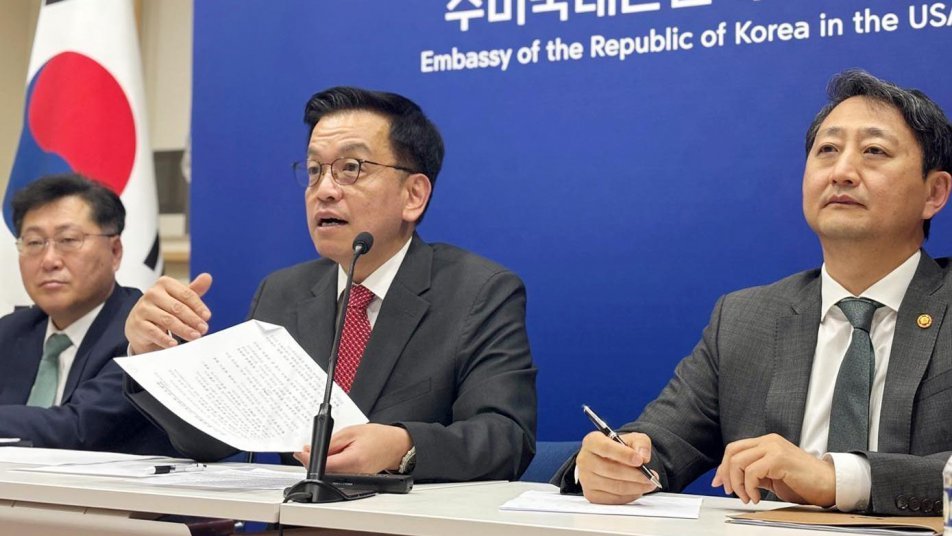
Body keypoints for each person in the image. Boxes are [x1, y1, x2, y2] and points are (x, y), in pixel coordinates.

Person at [555, 70, 952, 516]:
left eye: (874, 151)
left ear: (934, 193)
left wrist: (839, 479)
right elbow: (660, 444)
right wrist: (611, 465)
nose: (842, 172)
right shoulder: (747, 319)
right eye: (828, 150)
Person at [124, 87, 537, 481]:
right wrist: (150, 355)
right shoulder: (283, 293)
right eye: (315, 170)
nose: (324, 190)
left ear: (413, 195)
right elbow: (209, 440)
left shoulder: (478, 292)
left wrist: (404, 446)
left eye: (350, 168)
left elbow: (506, 437)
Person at [0, 174, 176, 454]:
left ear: (115, 252)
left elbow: (78, 429)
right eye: (34, 243)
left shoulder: (144, 334)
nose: (49, 261)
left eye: (68, 240)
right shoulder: (10, 332)